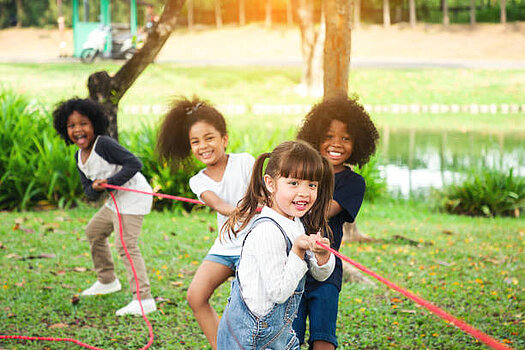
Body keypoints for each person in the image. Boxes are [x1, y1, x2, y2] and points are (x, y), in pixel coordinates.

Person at [217, 140, 336, 350]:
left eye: (312, 185)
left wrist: (322, 257)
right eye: (294, 183)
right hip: (251, 338)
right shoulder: (267, 232)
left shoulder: (294, 223)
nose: (304, 192)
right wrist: (298, 251)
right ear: (270, 184)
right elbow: (279, 293)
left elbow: (320, 275)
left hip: (277, 334)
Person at [156, 97, 255, 350]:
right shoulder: (198, 180)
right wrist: (238, 210)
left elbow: (266, 192)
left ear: (224, 138)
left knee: (248, 307)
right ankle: (221, 346)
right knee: (196, 296)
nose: (203, 146)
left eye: (209, 138)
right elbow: (217, 203)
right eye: (195, 142)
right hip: (225, 246)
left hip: (254, 246)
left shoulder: (244, 161)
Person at [52, 98, 156, 316]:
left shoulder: (104, 144)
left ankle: (144, 298)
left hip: (134, 196)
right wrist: (97, 188)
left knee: (125, 245)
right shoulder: (79, 157)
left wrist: (111, 182)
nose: (78, 129)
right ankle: (107, 280)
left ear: (94, 125)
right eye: (71, 126)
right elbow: (88, 191)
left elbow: (135, 164)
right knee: (94, 231)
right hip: (116, 199)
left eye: (83, 123)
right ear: (64, 129)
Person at [293, 95, 379, 349]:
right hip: (292, 268)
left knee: (324, 338)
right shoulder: (299, 175)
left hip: (326, 270)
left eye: (346, 138)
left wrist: (293, 195)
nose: (336, 144)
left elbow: (322, 210)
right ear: (315, 137)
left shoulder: (353, 183)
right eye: (328, 136)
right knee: (290, 339)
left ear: (358, 143)